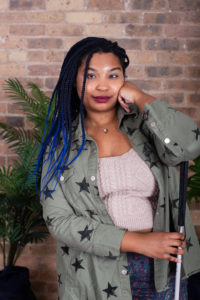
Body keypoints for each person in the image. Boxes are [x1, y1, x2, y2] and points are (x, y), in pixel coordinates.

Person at [38, 37, 200, 299]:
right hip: (95, 274)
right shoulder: (60, 146)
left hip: (160, 270)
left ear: (124, 79)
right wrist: (139, 243)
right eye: (91, 76)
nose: (103, 85)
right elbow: (59, 221)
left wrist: (141, 96)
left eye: (113, 76)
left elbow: (190, 145)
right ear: (74, 80)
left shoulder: (146, 128)